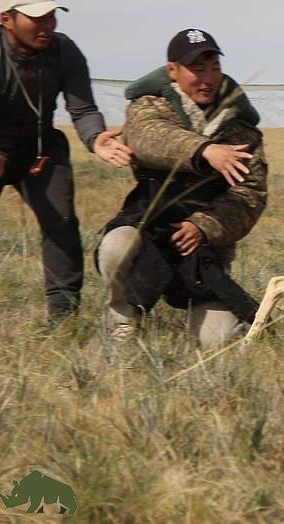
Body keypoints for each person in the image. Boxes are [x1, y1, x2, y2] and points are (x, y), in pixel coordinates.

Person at [0, 0, 132, 322]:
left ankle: (64, 319)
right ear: (6, 19)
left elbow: (83, 109)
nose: (47, 25)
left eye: (51, 16)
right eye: (36, 18)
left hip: (38, 149)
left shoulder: (65, 51)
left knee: (61, 222)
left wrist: (96, 138)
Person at [94, 28, 266, 345]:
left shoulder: (242, 130)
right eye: (197, 69)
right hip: (147, 232)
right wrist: (204, 150)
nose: (207, 78)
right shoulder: (148, 107)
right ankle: (123, 317)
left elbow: (249, 196)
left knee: (218, 341)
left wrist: (203, 226)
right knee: (115, 248)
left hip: (201, 252)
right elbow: (147, 137)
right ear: (172, 71)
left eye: (214, 67)